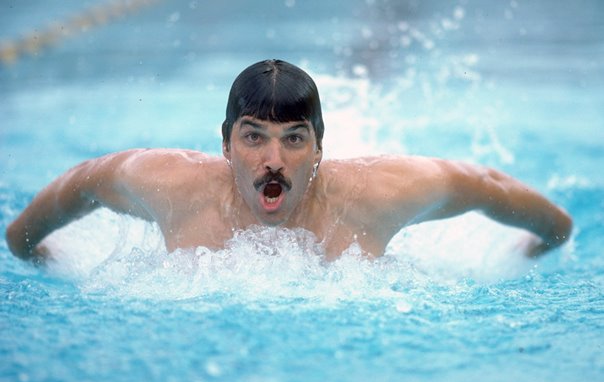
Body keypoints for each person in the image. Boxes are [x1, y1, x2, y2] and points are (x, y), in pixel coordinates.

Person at [5, 59, 572, 261]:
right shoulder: (170, 185)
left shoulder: (376, 196)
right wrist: (29, 249)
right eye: (254, 138)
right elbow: (84, 179)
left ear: (320, 148)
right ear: (225, 144)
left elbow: (479, 182)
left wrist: (547, 238)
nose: (273, 160)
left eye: (294, 139)